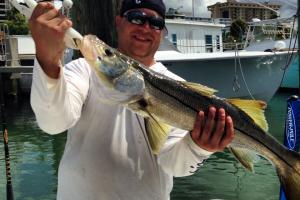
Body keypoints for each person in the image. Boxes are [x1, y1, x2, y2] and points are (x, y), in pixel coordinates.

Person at [29, 0, 235, 199]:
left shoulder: (179, 89)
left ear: (162, 32)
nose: (146, 28)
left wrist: (199, 146)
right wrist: (48, 59)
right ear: (119, 21)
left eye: (155, 23)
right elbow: (53, 122)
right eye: (137, 18)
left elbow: (175, 166)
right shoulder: (83, 70)